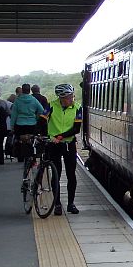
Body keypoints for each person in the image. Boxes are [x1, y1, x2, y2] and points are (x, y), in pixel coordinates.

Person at [41, 83, 82, 216]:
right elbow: (42, 121)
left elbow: (76, 129)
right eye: (68, 97)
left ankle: (71, 204)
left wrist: (61, 136)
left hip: (68, 144)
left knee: (71, 174)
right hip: (54, 144)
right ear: (61, 98)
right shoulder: (51, 106)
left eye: (72, 96)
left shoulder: (77, 108)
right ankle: (57, 204)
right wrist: (48, 136)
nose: (71, 99)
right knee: (56, 173)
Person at [11, 83, 44, 161]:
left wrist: (12, 125)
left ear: (22, 90)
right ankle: (32, 157)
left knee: (20, 140)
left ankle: (21, 157)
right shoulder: (33, 100)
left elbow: (14, 114)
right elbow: (41, 110)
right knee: (31, 140)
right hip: (32, 123)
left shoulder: (18, 100)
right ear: (29, 90)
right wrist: (36, 117)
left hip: (20, 124)